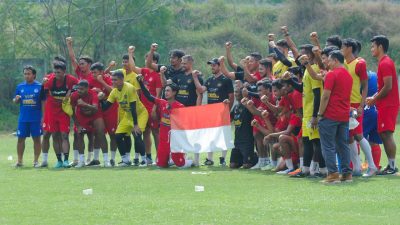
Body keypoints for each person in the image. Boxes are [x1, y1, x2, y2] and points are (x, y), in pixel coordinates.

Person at [137, 75, 192, 168]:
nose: (166, 93)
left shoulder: (180, 106)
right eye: (165, 90)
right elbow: (148, 96)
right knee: (161, 165)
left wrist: (172, 112)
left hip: (175, 140)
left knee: (181, 165)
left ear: (174, 92)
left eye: (168, 91)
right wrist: (141, 83)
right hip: (163, 139)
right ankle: (168, 159)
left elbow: (183, 124)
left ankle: (189, 161)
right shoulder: (162, 102)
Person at [341, 38, 377, 177]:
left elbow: (365, 85)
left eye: (343, 47)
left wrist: (361, 105)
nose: (341, 50)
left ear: (350, 48)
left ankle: (372, 166)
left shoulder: (359, 64)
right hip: (345, 105)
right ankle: (356, 168)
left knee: (358, 135)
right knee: (349, 137)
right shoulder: (342, 63)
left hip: (356, 104)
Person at [317, 50, 353, 183]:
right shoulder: (348, 76)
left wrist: (320, 113)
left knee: (328, 146)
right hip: (343, 116)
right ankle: (347, 174)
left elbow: (325, 96)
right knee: (343, 145)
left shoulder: (332, 75)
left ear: (336, 60)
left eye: (330, 60)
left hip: (330, 115)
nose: (328, 63)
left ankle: (332, 174)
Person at [366, 35, 399, 175]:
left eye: (373, 46)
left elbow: (388, 87)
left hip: (388, 104)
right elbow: (382, 87)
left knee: (387, 134)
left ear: (380, 47)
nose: (371, 49)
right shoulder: (384, 62)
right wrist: (374, 97)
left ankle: (392, 166)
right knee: (384, 133)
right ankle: (390, 166)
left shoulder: (385, 63)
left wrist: (374, 99)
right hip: (385, 104)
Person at [192, 58, 234, 166]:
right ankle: (209, 159)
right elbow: (201, 90)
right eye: (211, 65)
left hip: (222, 112)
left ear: (219, 66)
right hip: (211, 113)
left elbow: (231, 96)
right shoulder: (210, 79)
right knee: (210, 136)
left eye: (214, 65)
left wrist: (228, 110)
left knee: (223, 135)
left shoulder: (226, 80)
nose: (212, 67)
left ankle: (223, 158)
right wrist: (195, 77)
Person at [125, 46, 162, 165]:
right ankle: (149, 157)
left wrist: (155, 109)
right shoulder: (144, 72)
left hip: (153, 108)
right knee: (145, 132)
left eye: (148, 59)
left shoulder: (157, 75)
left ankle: (159, 156)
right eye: (146, 59)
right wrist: (130, 54)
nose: (146, 62)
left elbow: (158, 94)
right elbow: (132, 67)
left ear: (154, 61)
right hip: (142, 108)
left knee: (156, 132)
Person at [101, 71, 142, 167]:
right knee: (119, 136)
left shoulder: (130, 88)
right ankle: (125, 160)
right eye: (112, 80)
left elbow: (133, 107)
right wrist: (101, 99)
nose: (113, 82)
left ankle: (144, 159)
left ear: (121, 80)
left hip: (138, 114)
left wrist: (135, 124)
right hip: (127, 115)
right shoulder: (114, 91)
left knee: (137, 135)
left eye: (115, 80)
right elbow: (105, 107)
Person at [43, 61, 78, 168]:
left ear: (64, 72)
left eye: (59, 72)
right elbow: (44, 93)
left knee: (64, 135)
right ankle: (59, 161)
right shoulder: (50, 81)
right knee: (54, 135)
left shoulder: (70, 79)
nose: (56, 74)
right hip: (52, 111)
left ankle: (66, 160)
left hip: (63, 111)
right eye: (55, 72)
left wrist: (70, 92)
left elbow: (79, 86)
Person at [66, 37, 95, 165]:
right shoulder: (80, 74)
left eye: (82, 63)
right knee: (77, 134)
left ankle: (89, 158)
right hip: (79, 108)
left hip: (91, 108)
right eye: (80, 63)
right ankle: (76, 158)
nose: (80, 65)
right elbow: (72, 59)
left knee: (91, 135)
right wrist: (69, 45)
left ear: (89, 65)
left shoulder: (93, 75)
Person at [70, 80, 110, 168]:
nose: (79, 91)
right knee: (79, 134)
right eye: (78, 89)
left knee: (100, 133)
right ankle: (81, 161)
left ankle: (106, 161)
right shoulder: (74, 96)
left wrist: (84, 104)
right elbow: (71, 111)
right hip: (81, 115)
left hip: (95, 114)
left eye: (82, 89)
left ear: (87, 89)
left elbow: (95, 109)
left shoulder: (93, 94)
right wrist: (77, 125)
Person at [13, 65, 45, 167]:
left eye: (29, 74)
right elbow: (15, 101)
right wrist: (16, 99)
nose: (26, 76)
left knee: (36, 139)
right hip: (23, 119)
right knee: (20, 139)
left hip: (36, 119)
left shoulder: (40, 87)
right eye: (25, 74)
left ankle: (36, 161)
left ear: (34, 75)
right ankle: (19, 161)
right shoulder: (20, 87)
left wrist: (43, 117)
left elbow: (43, 102)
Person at [89, 62, 119, 166]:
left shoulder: (107, 78)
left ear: (101, 72)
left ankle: (112, 159)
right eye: (92, 72)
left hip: (110, 108)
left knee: (113, 135)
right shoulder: (90, 80)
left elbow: (113, 92)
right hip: (98, 110)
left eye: (95, 72)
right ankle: (99, 159)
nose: (93, 74)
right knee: (99, 133)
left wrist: (101, 82)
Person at [40, 56, 67, 167]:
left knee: (62, 135)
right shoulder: (48, 78)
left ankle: (62, 160)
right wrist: (43, 114)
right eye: (54, 63)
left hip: (63, 111)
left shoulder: (66, 79)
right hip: (50, 112)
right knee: (46, 134)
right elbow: (43, 97)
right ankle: (44, 160)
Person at [229, 88, 258, 169]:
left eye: (237, 92)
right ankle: (244, 158)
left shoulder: (248, 105)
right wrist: (225, 106)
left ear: (243, 94)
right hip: (237, 141)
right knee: (232, 165)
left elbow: (255, 113)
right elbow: (228, 120)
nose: (236, 94)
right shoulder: (235, 107)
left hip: (247, 141)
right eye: (235, 92)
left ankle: (256, 156)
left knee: (246, 166)